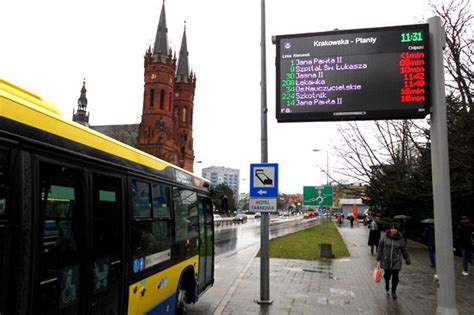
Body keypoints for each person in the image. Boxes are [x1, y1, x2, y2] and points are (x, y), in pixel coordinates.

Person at [376, 224, 411, 299]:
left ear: (397, 230)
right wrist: (378, 258)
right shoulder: (384, 236)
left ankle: (393, 291)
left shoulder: (400, 238)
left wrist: (407, 259)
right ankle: (387, 284)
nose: (394, 230)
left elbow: (404, 249)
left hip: (396, 260)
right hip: (386, 259)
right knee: (387, 275)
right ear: (390, 229)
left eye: (395, 229)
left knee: (395, 276)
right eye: (392, 229)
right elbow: (380, 247)